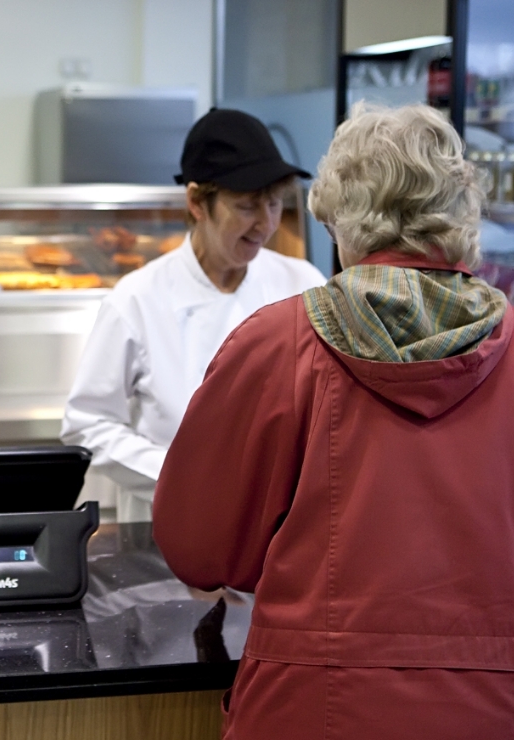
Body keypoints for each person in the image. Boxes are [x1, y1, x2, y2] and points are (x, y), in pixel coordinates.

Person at [154, 103, 514, 738]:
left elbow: (201, 548)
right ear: (464, 213)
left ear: (343, 219)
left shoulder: (278, 341)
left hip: (312, 704)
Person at [61, 109, 327, 522]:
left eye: (274, 204)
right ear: (197, 203)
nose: (265, 223)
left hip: (278, 528)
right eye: (246, 206)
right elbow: (88, 424)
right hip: (167, 527)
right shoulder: (137, 299)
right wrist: (177, 475)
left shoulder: (301, 284)